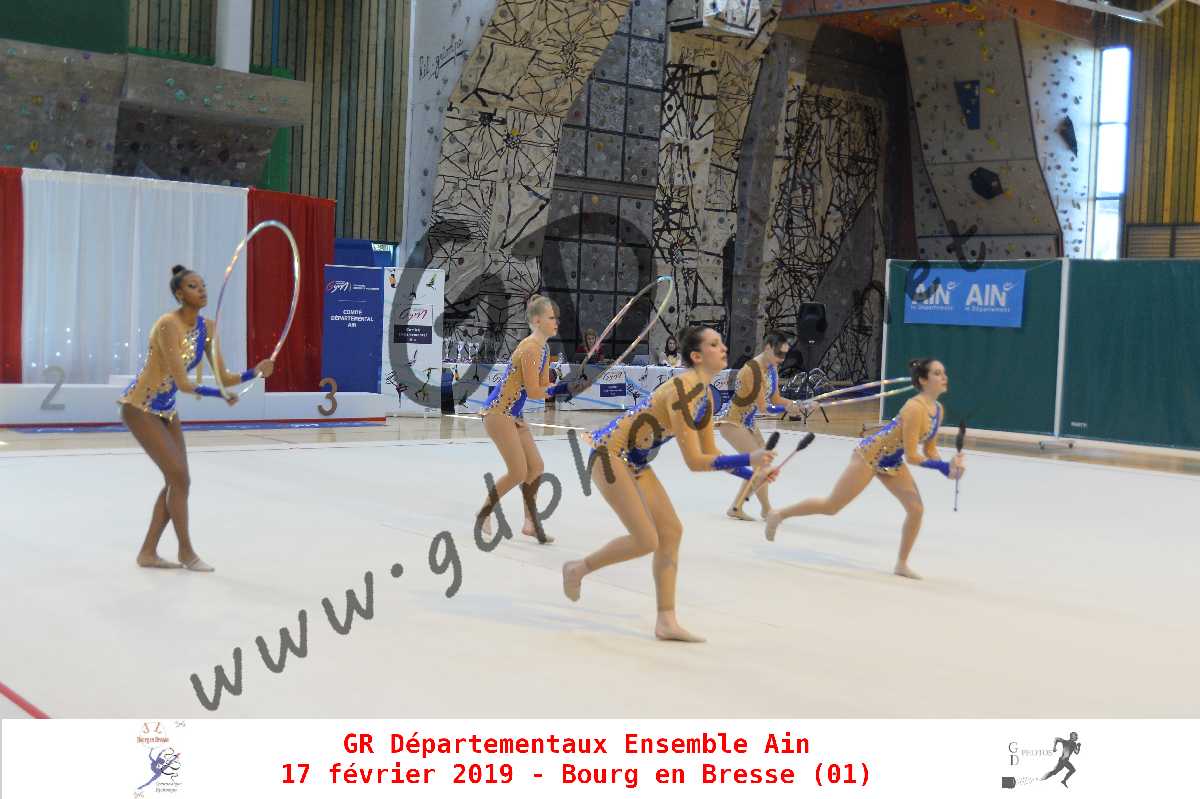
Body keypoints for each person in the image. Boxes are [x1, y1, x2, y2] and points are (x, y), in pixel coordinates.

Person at [561, 326, 777, 642]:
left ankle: (666, 621)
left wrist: (751, 473)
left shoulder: (705, 397)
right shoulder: (682, 391)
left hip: (634, 462)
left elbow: (711, 453)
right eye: (714, 344)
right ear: (697, 356)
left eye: (721, 343)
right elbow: (694, 461)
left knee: (671, 532)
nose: (723, 348)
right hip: (609, 455)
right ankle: (577, 569)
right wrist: (750, 458)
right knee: (646, 539)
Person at [119, 265, 273, 572]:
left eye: (203, 285)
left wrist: (254, 372)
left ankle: (148, 552)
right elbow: (184, 382)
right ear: (179, 294)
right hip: (139, 406)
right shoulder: (168, 325)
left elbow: (223, 376)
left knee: (177, 481)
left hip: (166, 409)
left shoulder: (208, 328)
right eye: (193, 286)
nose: (201, 290)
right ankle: (186, 552)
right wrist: (220, 395)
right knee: (180, 479)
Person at [764, 358, 965, 579]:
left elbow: (930, 450)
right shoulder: (914, 408)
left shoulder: (938, 410)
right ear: (923, 380)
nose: (944, 377)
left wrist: (949, 468)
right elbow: (912, 456)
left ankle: (901, 564)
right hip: (870, 455)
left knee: (916, 509)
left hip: (891, 461)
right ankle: (778, 515)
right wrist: (943, 467)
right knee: (832, 506)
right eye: (937, 373)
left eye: (943, 372)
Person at [476, 295, 572, 543]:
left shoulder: (544, 349)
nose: (556, 322)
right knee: (518, 471)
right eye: (551, 318)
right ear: (537, 320)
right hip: (498, 413)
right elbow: (535, 392)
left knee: (536, 466)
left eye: (556, 318)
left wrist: (561, 385)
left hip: (513, 414)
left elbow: (542, 385)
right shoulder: (530, 349)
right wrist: (561, 389)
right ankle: (484, 512)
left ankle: (530, 522)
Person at [716, 330, 801, 521]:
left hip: (747, 422)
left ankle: (738, 507)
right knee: (761, 463)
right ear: (768, 347)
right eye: (779, 353)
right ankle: (765, 509)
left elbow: (776, 398)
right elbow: (764, 408)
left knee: (764, 464)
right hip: (731, 421)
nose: (782, 358)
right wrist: (788, 409)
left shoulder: (772, 367)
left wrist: (797, 404)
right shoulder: (752, 370)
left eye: (785, 354)